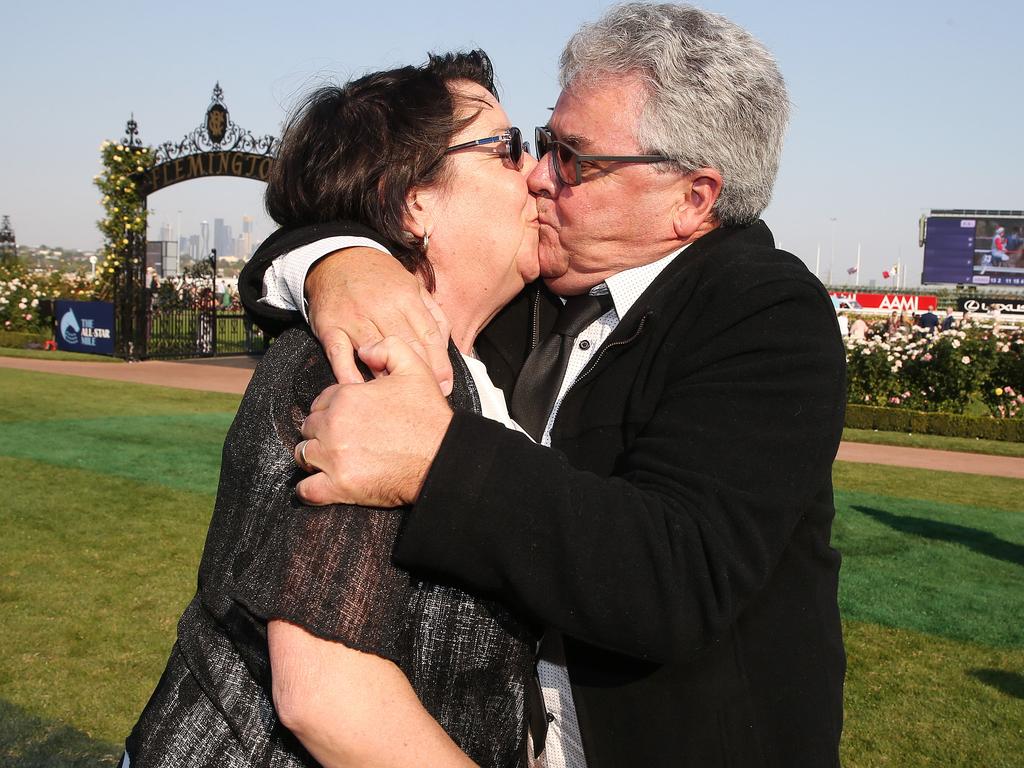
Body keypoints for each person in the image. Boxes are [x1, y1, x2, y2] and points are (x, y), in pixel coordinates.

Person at [241, 4, 847, 767]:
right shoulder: (539, 284)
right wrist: (333, 260)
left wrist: (436, 460)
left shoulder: (763, 311)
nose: (537, 175)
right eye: (541, 144)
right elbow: (338, 217)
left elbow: (677, 574)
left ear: (692, 199)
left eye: (573, 158)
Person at [125, 50, 543, 768]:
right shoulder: (370, 362)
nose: (536, 171)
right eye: (506, 150)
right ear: (416, 201)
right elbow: (328, 693)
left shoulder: (470, 353)